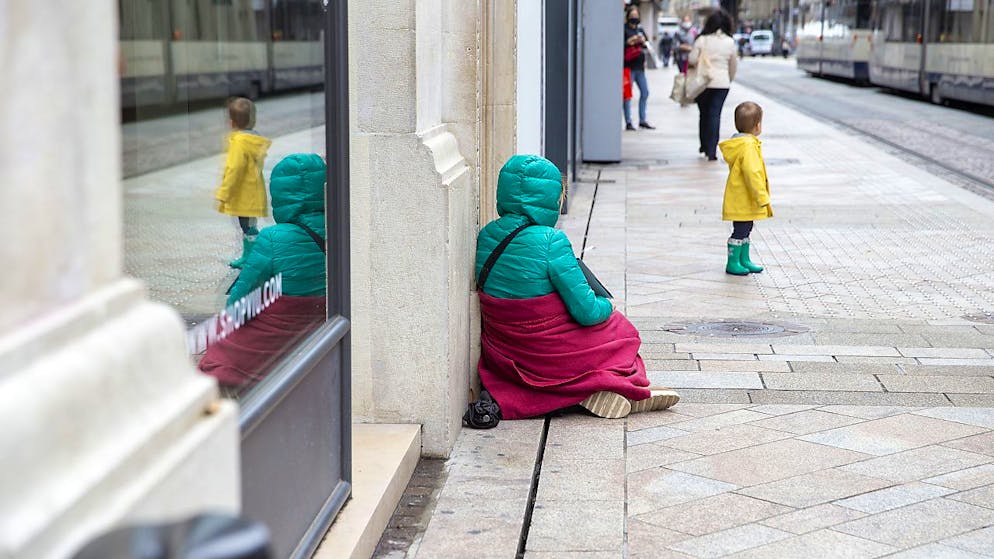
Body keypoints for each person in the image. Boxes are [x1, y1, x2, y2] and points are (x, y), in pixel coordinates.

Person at [474, 154, 679, 419]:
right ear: (550, 199)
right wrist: (607, 305)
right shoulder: (551, 240)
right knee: (623, 332)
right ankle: (610, 387)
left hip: (505, 349)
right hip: (544, 351)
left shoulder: (487, 234)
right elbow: (587, 311)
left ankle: (593, 391)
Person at [199, 153, 328, 393]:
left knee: (218, 339)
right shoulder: (341, 225)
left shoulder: (272, 238)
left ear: (280, 195)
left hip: (276, 334)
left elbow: (240, 298)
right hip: (319, 323)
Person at [215, 97, 272, 269]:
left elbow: (234, 169)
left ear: (232, 122)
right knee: (248, 225)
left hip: (242, 194)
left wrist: (223, 193)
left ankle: (252, 256)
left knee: (247, 227)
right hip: (253, 192)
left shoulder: (239, 142)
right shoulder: (254, 140)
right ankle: (250, 254)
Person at [718, 102, 771, 276]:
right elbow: (752, 173)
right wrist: (761, 196)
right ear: (757, 126)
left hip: (742, 196)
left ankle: (743, 259)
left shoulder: (743, 143)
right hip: (745, 196)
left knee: (746, 227)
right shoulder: (748, 146)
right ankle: (733, 262)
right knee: (740, 229)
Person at [689, 9, 737, 161]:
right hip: (721, 83)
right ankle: (712, 150)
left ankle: (704, 144)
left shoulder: (702, 40)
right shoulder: (730, 42)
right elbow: (733, 65)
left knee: (703, 114)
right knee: (715, 115)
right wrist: (728, 79)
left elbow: (691, 59)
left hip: (702, 83)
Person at [623, 6, 654, 131]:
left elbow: (647, 45)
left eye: (636, 15)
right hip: (627, 67)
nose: (634, 18)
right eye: (632, 15)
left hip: (640, 67)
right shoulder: (624, 29)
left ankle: (642, 120)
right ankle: (628, 121)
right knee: (627, 96)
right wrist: (629, 41)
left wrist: (642, 40)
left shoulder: (640, 30)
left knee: (645, 92)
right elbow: (620, 45)